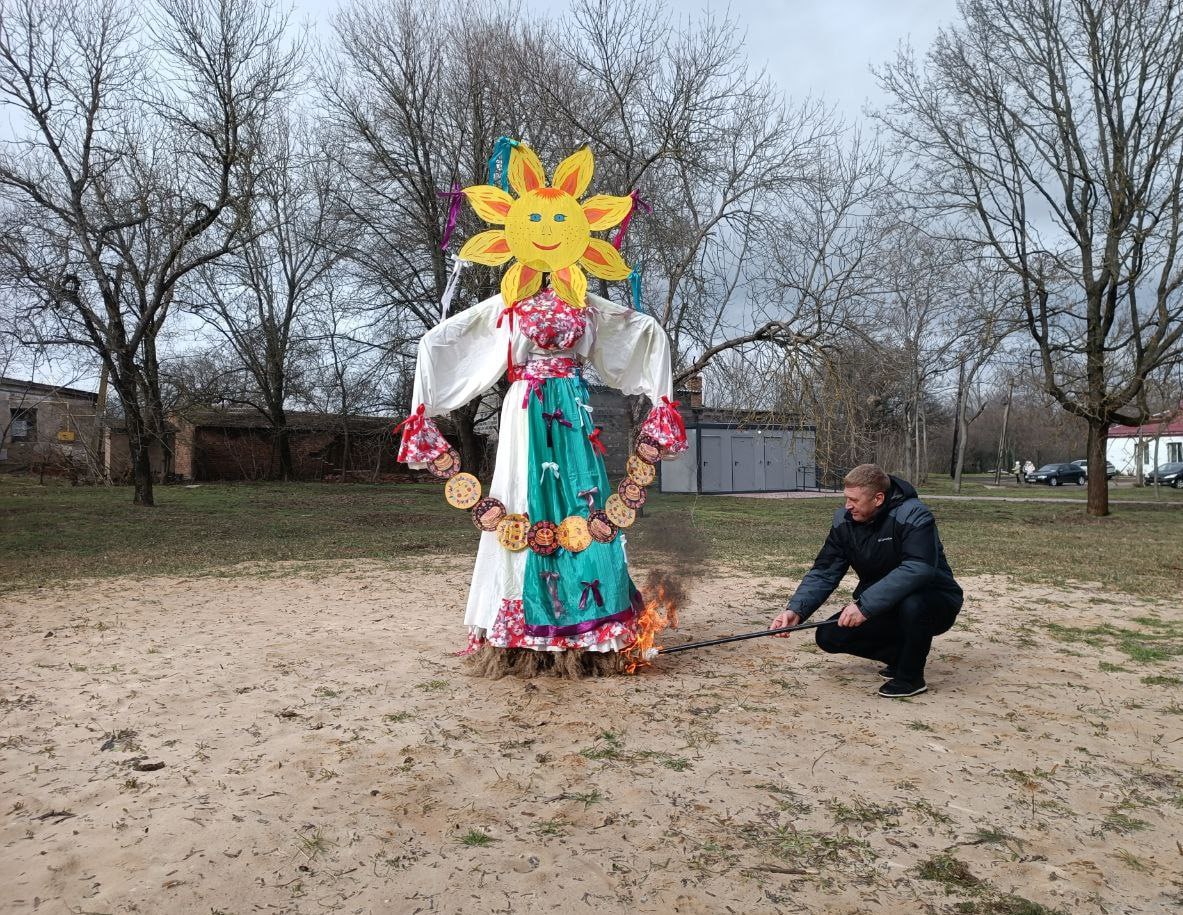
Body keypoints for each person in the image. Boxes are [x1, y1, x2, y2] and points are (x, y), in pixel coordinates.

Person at [398, 141, 686, 677]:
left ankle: (591, 622)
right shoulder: (510, 306)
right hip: (526, 408)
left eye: (561, 220)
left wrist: (659, 383)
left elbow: (636, 330)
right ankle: (519, 627)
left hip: (573, 408)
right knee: (520, 495)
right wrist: (426, 396)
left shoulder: (585, 306)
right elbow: (450, 338)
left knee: (583, 495)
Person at [768, 463, 962, 698]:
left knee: (913, 604)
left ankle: (911, 677)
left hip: (934, 601)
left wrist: (864, 606)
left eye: (854, 500)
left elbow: (918, 568)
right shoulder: (844, 522)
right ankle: (902, 656)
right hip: (883, 604)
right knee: (829, 635)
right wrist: (796, 610)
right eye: (845, 498)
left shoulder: (914, 514)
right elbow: (825, 571)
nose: (847, 506)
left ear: (878, 498)